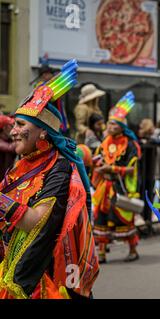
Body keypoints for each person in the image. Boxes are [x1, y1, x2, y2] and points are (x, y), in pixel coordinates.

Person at [0, 60, 99, 299]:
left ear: (43, 132)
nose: (13, 132)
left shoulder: (59, 168)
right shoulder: (24, 163)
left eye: (21, 125)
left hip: (42, 279)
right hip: (13, 268)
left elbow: (35, 221)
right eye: (13, 125)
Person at [92, 91, 141, 264]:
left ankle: (133, 250)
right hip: (103, 188)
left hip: (120, 188)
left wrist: (112, 168)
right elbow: (96, 160)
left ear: (121, 126)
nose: (110, 127)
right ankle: (102, 253)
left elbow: (131, 169)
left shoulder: (130, 145)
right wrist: (97, 165)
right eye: (109, 123)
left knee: (123, 219)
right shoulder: (104, 143)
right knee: (101, 219)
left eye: (113, 124)